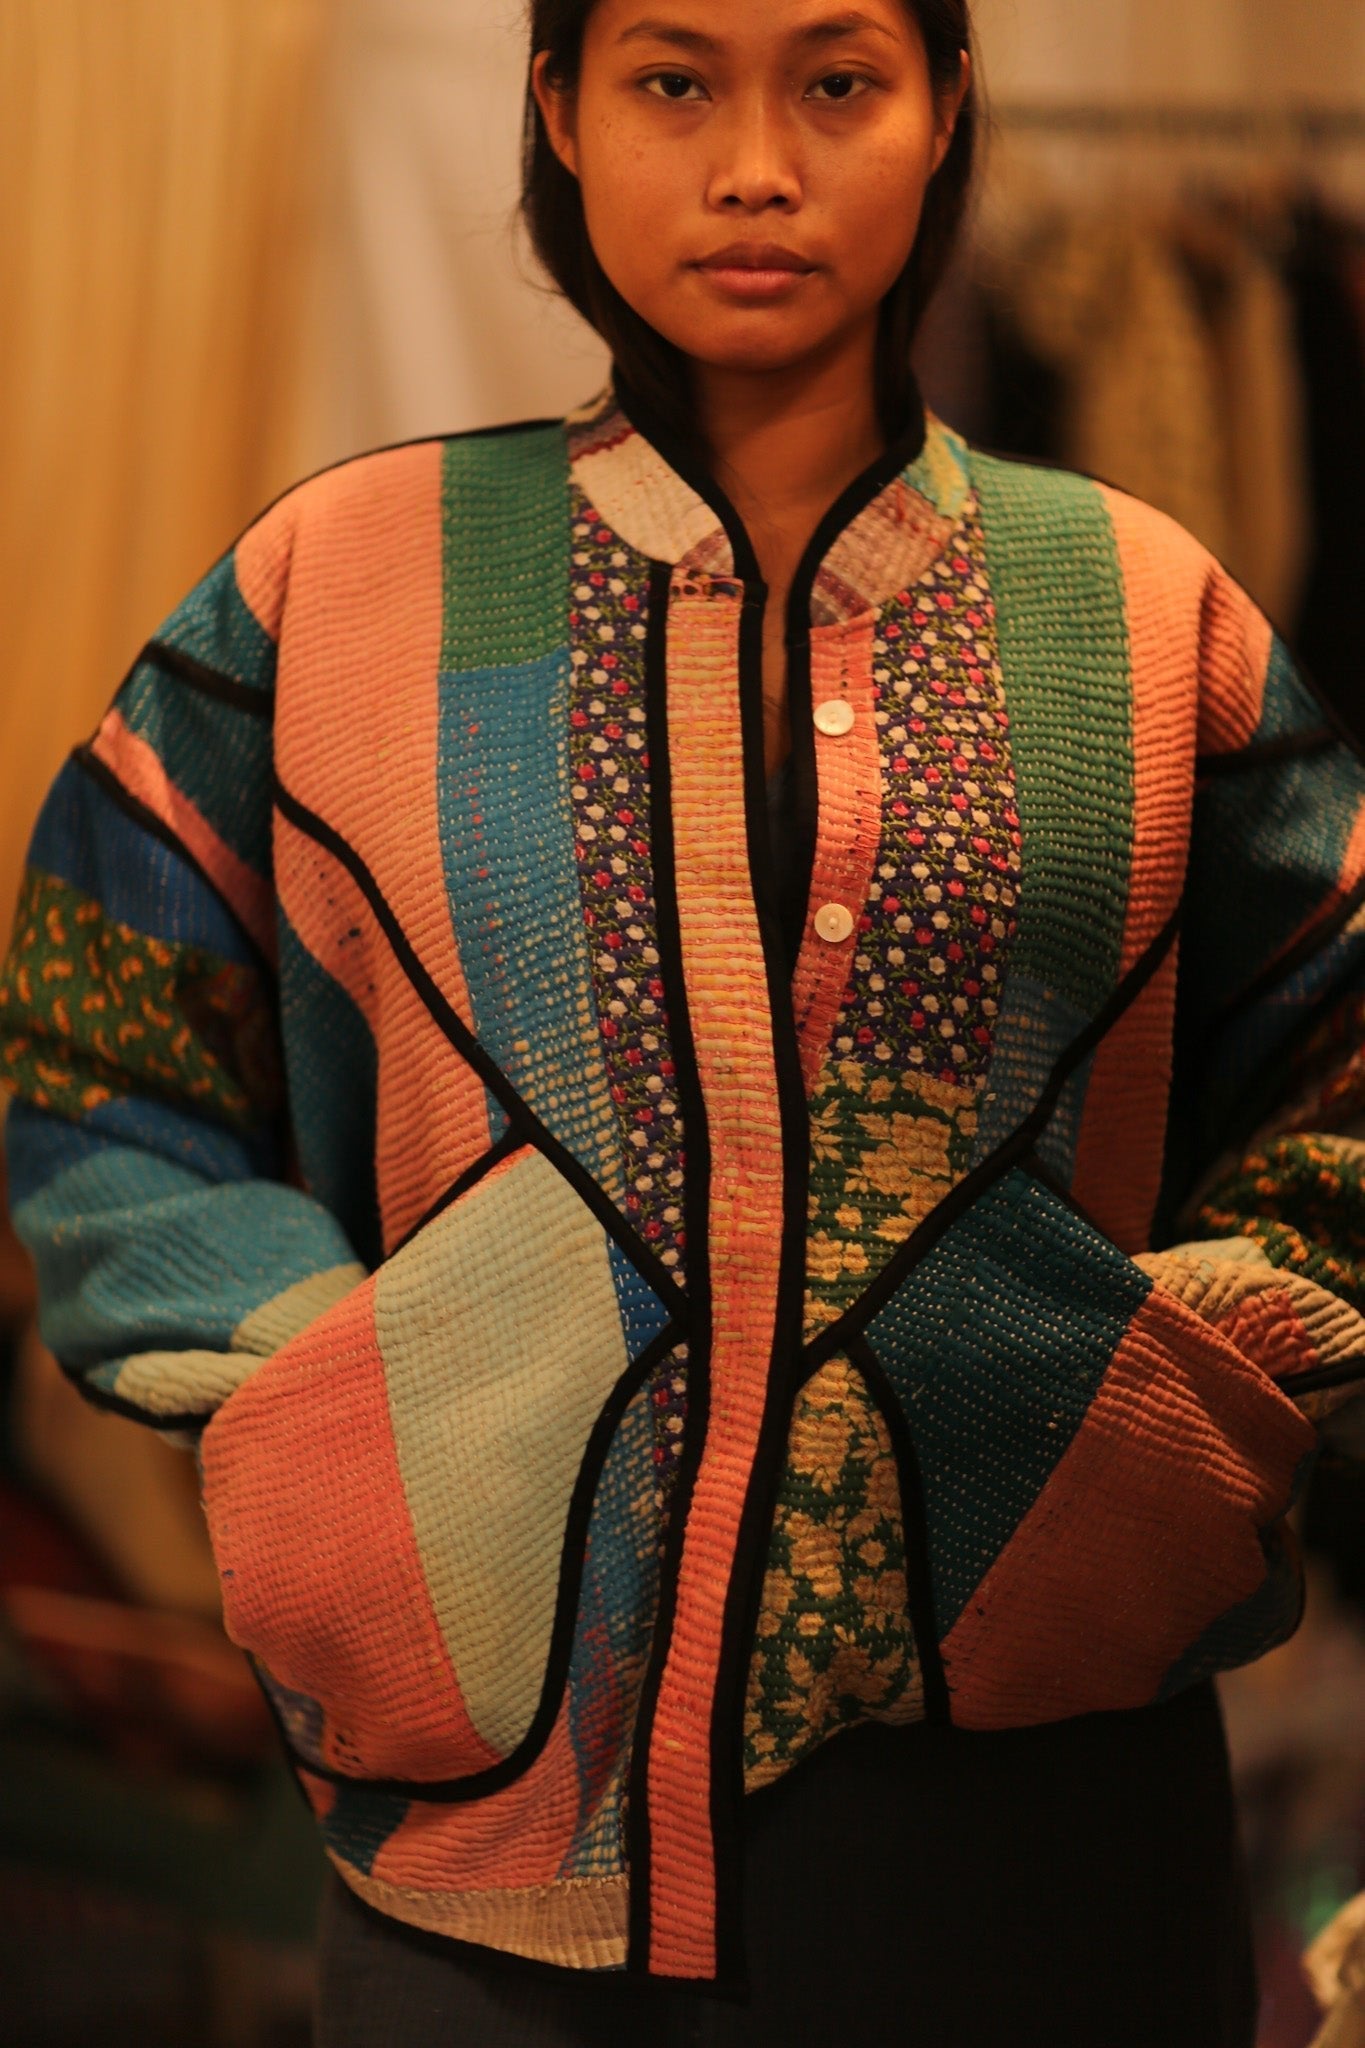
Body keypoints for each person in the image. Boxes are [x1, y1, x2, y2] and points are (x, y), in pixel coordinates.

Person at [3, 1, 1365, 2041]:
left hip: (1048, 1845)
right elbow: (99, 1053)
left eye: (836, 84)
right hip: (484, 1873)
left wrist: (1170, 1397)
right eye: (671, 82)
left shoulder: (1136, 610)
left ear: (943, 113)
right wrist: (338, 1404)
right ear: (557, 109)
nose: (754, 167)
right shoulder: (340, 590)